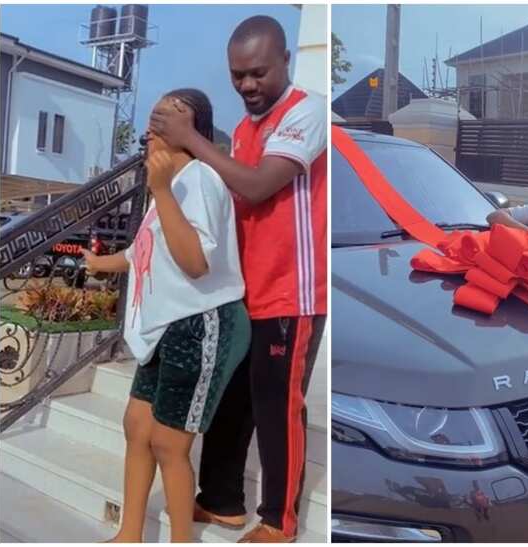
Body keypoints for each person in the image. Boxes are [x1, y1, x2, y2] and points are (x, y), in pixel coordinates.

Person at [149, 15, 326, 543]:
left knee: (277, 407)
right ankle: (222, 501)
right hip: (243, 293)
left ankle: (279, 521)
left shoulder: (306, 112)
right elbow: (224, 198)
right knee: (230, 399)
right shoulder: (246, 130)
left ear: (285, 62)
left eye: (258, 73)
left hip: (290, 292)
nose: (247, 85)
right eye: (237, 76)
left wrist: (192, 140)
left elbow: (256, 186)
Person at [83, 89, 250, 543]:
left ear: (193, 132)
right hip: (164, 326)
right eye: (154, 117)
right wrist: (101, 264)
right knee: (136, 427)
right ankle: (130, 532)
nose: (153, 126)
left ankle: (181, 539)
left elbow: (195, 261)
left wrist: (159, 190)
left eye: (170, 116)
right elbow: (147, 253)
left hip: (202, 324)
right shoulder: (169, 190)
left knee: (168, 444)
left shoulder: (201, 179)